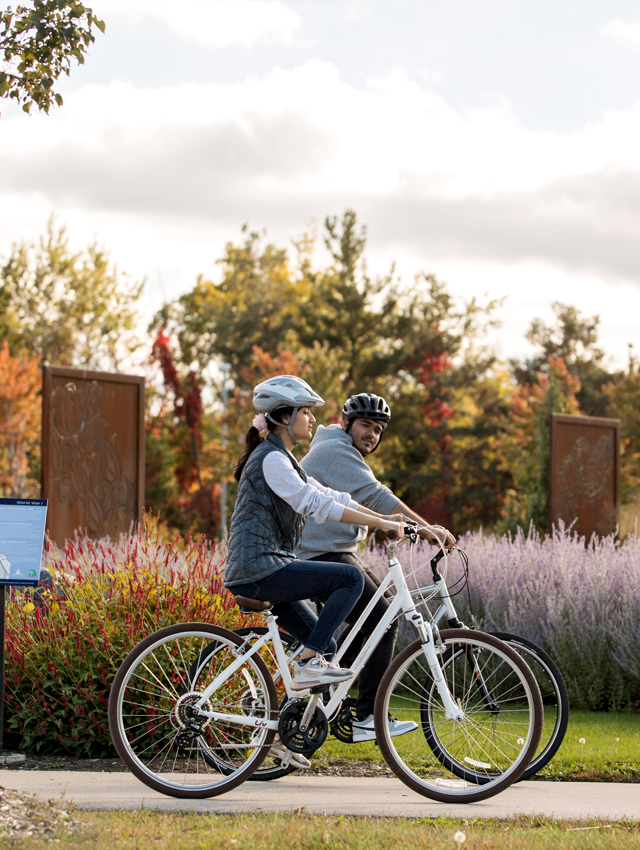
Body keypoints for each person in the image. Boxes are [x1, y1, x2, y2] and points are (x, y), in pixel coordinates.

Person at [224, 376, 404, 766]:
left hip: (271, 565)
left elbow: (328, 496)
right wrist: (380, 522)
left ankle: (276, 736)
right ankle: (308, 663)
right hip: (259, 567)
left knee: (329, 645)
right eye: (305, 411)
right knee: (350, 578)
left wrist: (381, 520)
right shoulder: (270, 458)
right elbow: (311, 504)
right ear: (284, 417)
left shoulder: (283, 458)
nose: (310, 418)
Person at [295, 392, 456, 743]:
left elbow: (369, 503)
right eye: (366, 425)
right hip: (318, 557)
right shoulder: (335, 449)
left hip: (331, 553)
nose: (372, 434)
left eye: (378, 429)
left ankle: (326, 700)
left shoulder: (341, 450)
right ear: (346, 423)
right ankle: (366, 716)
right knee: (385, 619)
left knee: (373, 624)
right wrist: (426, 528)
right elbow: (376, 494)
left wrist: (394, 523)